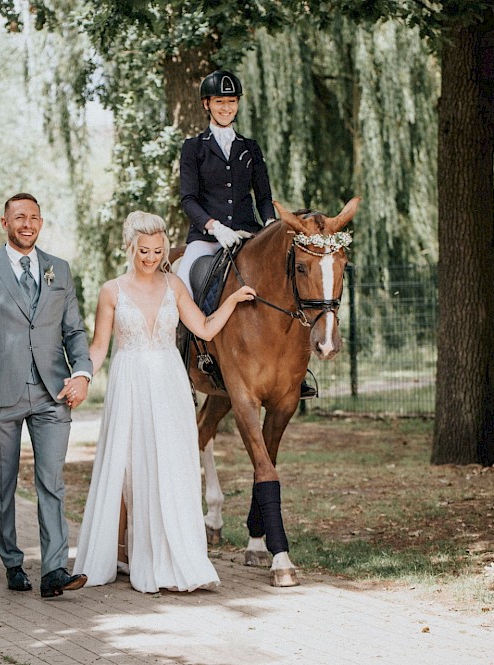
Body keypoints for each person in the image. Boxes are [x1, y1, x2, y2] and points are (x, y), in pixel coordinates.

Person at [72, 211, 255, 593]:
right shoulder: (112, 291)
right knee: (127, 465)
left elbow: (202, 327)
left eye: (157, 250)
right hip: (131, 382)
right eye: (143, 250)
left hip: (170, 382)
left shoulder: (174, 286)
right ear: (129, 247)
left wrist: (234, 300)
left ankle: (174, 558)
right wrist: (81, 375)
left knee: (172, 464)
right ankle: (124, 553)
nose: (151, 257)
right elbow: (99, 348)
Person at [0, 193, 93, 599]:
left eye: (33, 217)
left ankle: (53, 571)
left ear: (41, 223)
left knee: (52, 482)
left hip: (53, 391)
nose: (26, 223)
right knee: (3, 483)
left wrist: (81, 373)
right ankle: (12, 561)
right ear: (4, 222)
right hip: (2, 392)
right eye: (18, 217)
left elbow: (74, 332)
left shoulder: (59, 270)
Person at [177, 69, 316, 399]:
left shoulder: (249, 148)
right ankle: (183, 364)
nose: (226, 108)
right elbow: (188, 199)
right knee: (181, 285)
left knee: (288, 286)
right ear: (207, 105)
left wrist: (269, 224)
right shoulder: (194, 147)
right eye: (220, 102)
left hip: (248, 234)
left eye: (232, 102)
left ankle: (297, 370)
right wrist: (214, 227)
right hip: (208, 237)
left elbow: (263, 196)